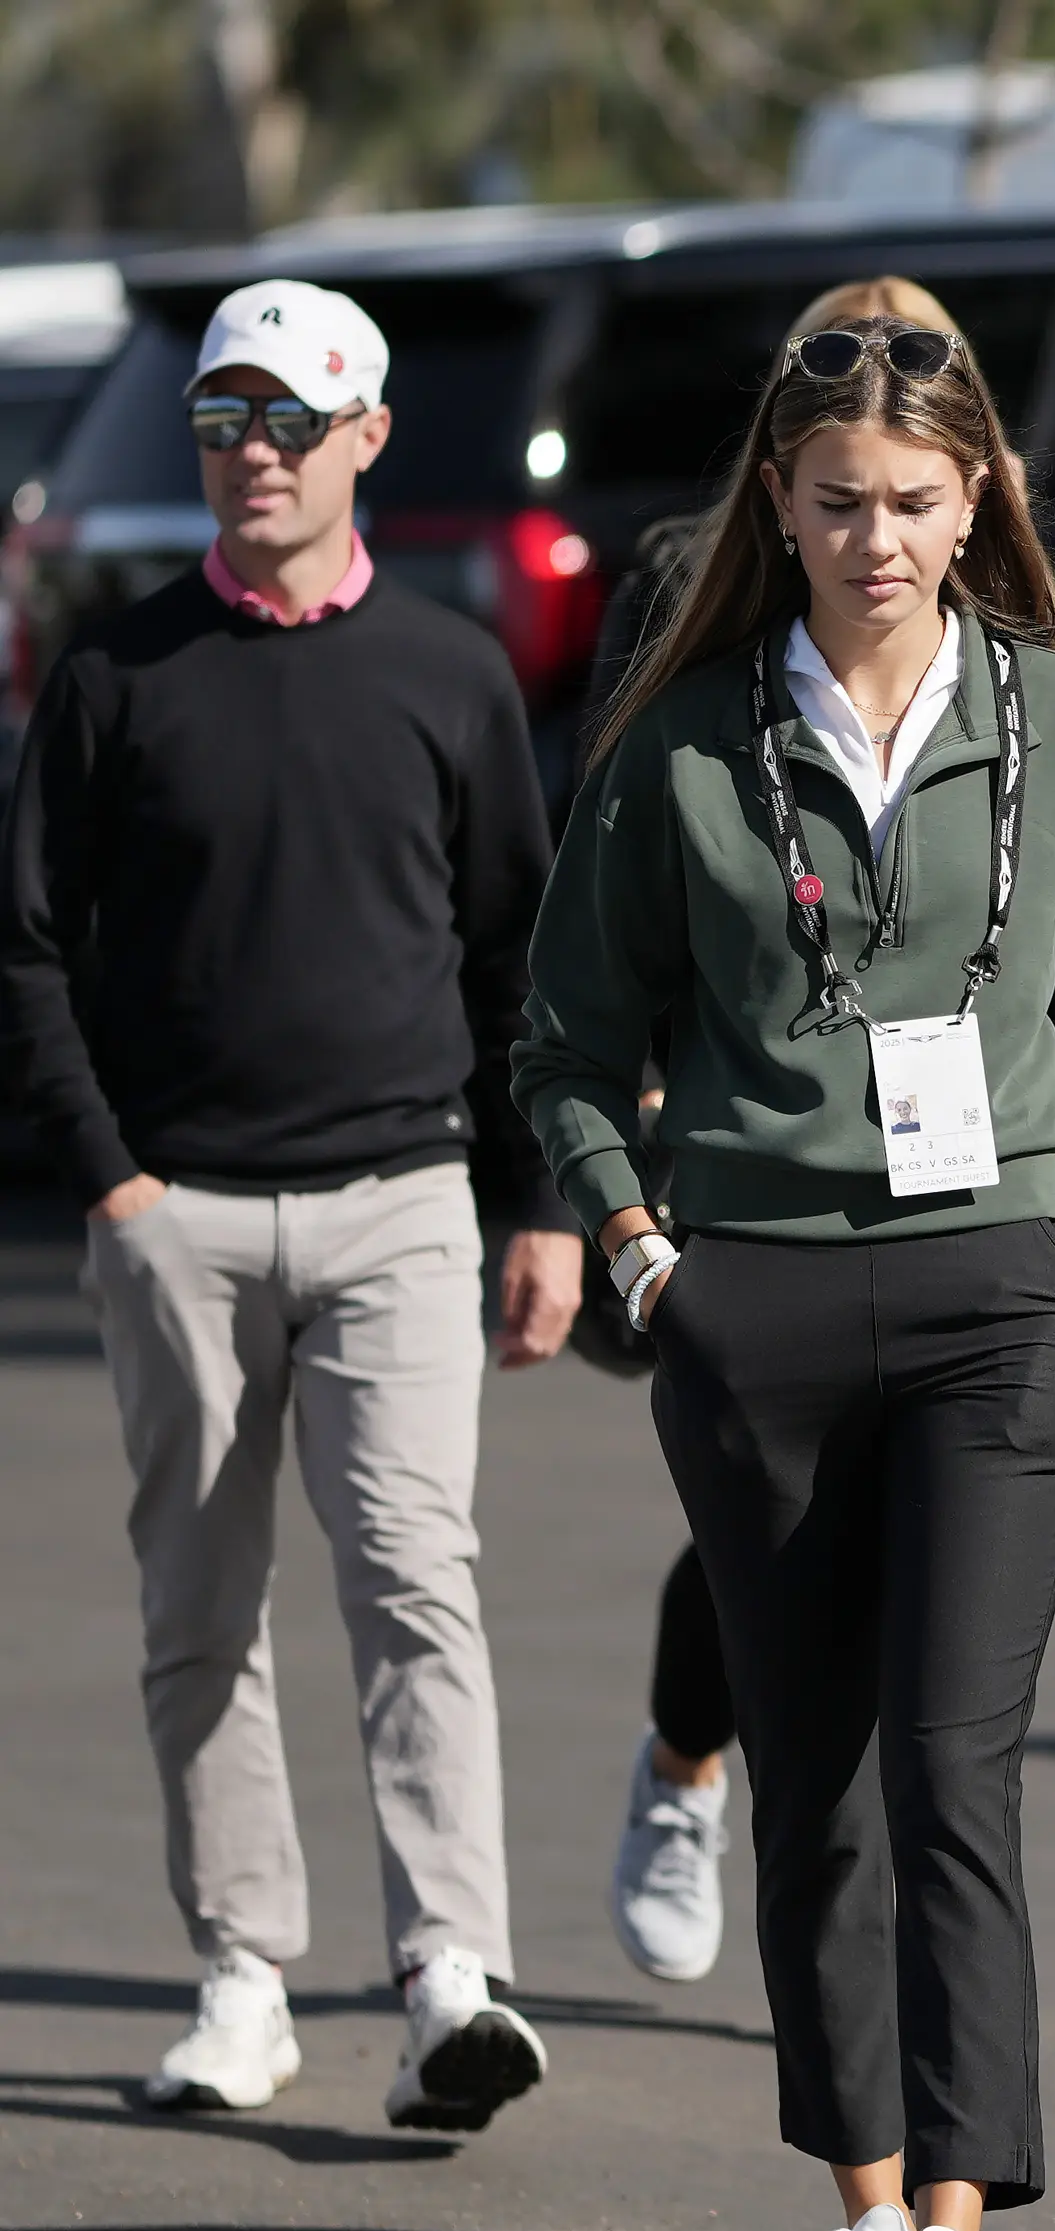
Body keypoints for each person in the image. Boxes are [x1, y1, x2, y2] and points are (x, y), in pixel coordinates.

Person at [513, 303, 1055, 2231]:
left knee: (951, 1772)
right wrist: (641, 1257)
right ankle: (868, 2226)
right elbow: (561, 1045)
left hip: (1003, 1297)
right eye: (835, 506)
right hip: (758, 1306)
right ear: (777, 514)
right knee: (814, 1795)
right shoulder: (686, 741)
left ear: (973, 496)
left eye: (912, 501)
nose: (876, 538)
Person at [0, 280, 582, 2132]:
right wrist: (111, 1174)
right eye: (221, 421)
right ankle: (243, 1976)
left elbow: (521, 956)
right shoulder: (116, 674)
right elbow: (21, 943)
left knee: (418, 1578)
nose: (252, 453)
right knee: (203, 1601)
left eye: (287, 420)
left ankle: (448, 1982)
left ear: (367, 441)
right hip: (179, 1215)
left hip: (402, 1195)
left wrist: (543, 1197)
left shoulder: (447, 675)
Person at [590, 276, 998, 1990]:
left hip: (953, 1130)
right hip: (748, 1108)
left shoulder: (998, 598)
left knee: (928, 1545)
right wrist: (651, 1096)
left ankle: (869, 1928)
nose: (878, 529)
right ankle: (696, 1762)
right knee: (777, 1512)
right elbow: (616, 838)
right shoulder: (691, 576)